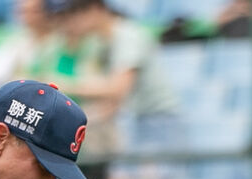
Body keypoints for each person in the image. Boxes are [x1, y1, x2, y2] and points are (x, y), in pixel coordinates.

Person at [45, 0, 178, 166]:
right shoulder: (102, 43)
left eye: (74, 13)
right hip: (132, 122)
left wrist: (63, 84)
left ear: (95, 8)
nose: (69, 23)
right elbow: (111, 104)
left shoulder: (128, 36)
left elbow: (118, 89)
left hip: (157, 122)